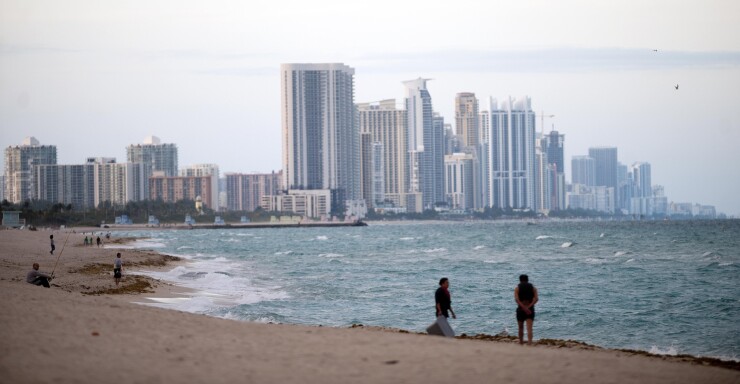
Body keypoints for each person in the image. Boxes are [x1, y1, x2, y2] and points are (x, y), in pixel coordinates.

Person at [514, 274, 539, 345]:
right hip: (530, 309)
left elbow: (517, 300)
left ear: (520, 280)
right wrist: (528, 307)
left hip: (521, 309)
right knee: (529, 328)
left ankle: (521, 342)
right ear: (527, 280)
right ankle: (530, 343)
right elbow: (536, 299)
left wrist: (524, 308)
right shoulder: (533, 288)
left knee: (520, 327)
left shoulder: (517, 288)